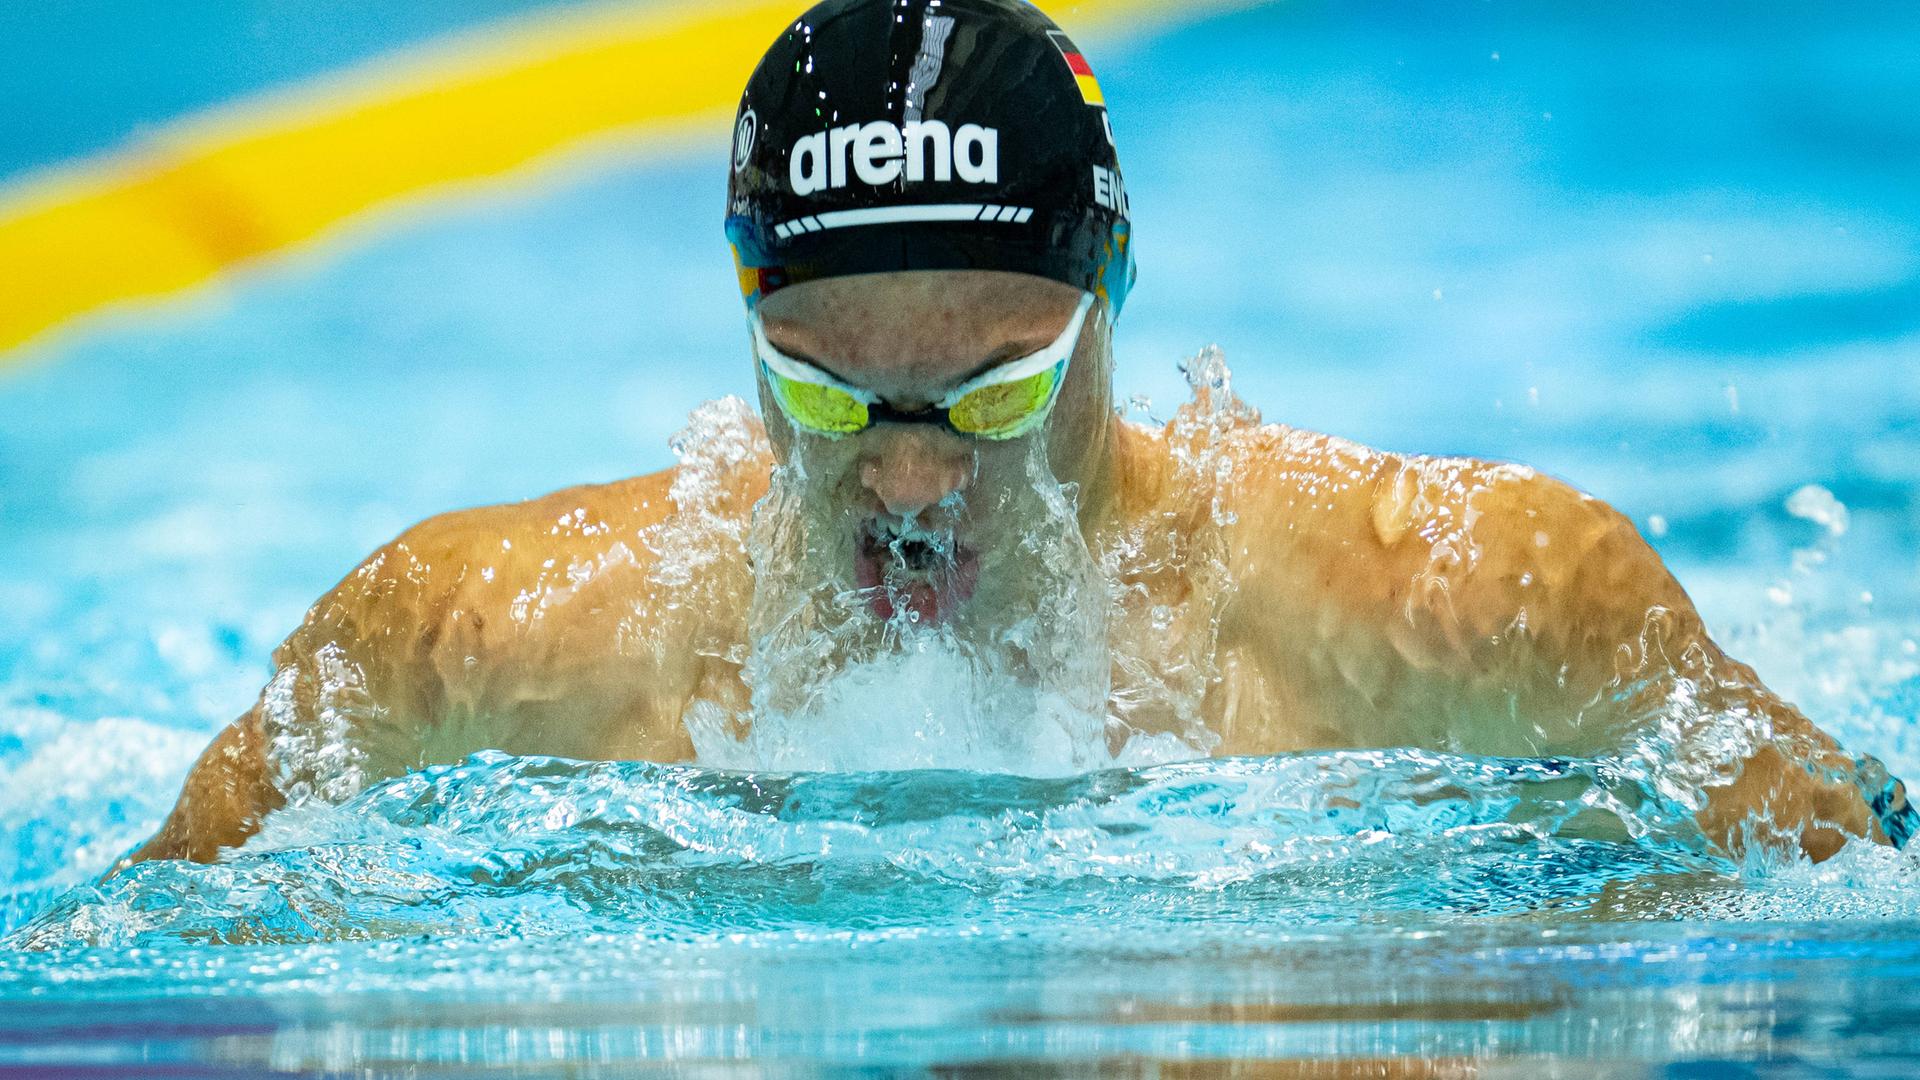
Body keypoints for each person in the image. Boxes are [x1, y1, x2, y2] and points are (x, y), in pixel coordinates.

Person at [131, 0, 1908, 868]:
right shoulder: (467, 646)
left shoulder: (1470, 608)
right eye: (824, 394)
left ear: (1109, 297)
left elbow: (1826, 917)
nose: (908, 480)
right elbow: (141, 973)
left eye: (993, 393)